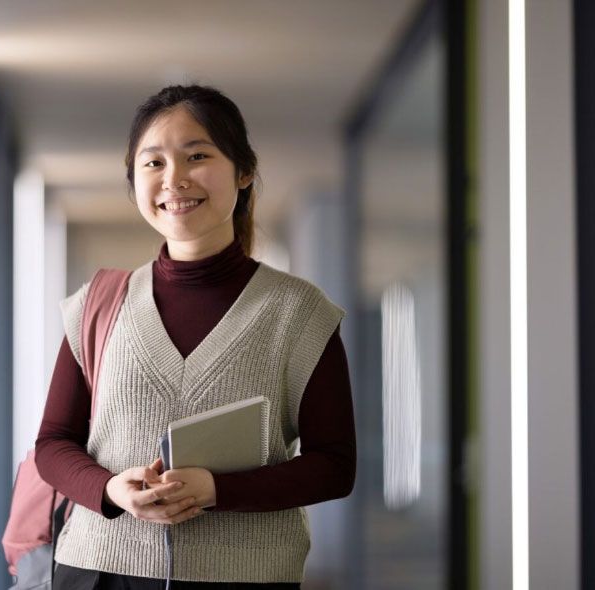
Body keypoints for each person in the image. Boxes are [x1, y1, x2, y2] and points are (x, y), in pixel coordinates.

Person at [35, 84, 356, 589]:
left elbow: (335, 466)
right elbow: (53, 444)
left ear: (244, 171)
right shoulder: (98, 304)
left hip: (244, 576)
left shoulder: (299, 312)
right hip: (100, 568)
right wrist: (112, 489)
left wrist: (214, 489)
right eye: (153, 163)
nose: (174, 179)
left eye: (197, 156)